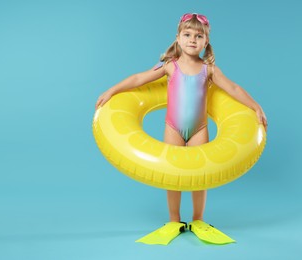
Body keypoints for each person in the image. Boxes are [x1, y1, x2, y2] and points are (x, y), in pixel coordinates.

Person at [95, 13, 267, 245]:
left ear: (206, 42)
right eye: (187, 35)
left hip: (198, 129)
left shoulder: (210, 69)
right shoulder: (170, 67)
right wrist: (112, 90)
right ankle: (174, 220)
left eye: (199, 36)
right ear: (178, 38)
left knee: (201, 177)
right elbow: (139, 78)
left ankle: (198, 219)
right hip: (173, 128)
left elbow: (234, 89)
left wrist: (255, 106)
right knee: (171, 175)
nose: (192, 40)